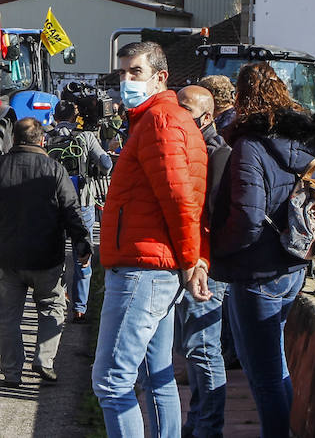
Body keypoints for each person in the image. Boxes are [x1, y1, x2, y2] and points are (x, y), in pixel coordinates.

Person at [209, 63, 315, 438]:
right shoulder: (306, 139)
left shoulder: (249, 145)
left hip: (257, 271)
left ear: (241, 99)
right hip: (294, 264)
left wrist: (221, 250)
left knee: (262, 375)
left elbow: (248, 216)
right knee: (275, 365)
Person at [93, 41, 209, 438]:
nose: (125, 81)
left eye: (135, 73)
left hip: (144, 267)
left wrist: (193, 258)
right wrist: (191, 259)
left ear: (161, 77)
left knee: (111, 380)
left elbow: (181, 198)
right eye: (122, 73)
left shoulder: (160, 122)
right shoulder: (163, 120)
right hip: (156, 264)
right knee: (155, 375)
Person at [0, 117, 91, 387]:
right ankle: (44, 360)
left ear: (13, 139)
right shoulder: (55, 169)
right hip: (45, 257)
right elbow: (71, 211)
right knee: (52, 307)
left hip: (3, 257)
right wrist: (82, 244)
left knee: (8, 316)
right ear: (42, 141)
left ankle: (12, 372)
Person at [173, 85, 234, 438]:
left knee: (203, 347)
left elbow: (209, 215)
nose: (179, 116)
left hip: (206, 264)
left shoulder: (217, 152)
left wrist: (202, 262)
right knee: (193, 347)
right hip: (192, 259)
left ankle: (208, 427)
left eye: (187, 110)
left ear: (207, 116)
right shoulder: (194, 146)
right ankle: (198, 421)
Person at [47, 100, 114, 323]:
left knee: (55, 254)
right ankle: (79, 308)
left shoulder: (46, 137)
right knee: (82, 254)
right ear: (75, 119)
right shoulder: (85, 137)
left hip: (53, 203)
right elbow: (106, 165)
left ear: (55, 117)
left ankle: (57, 297)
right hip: (82, 201)